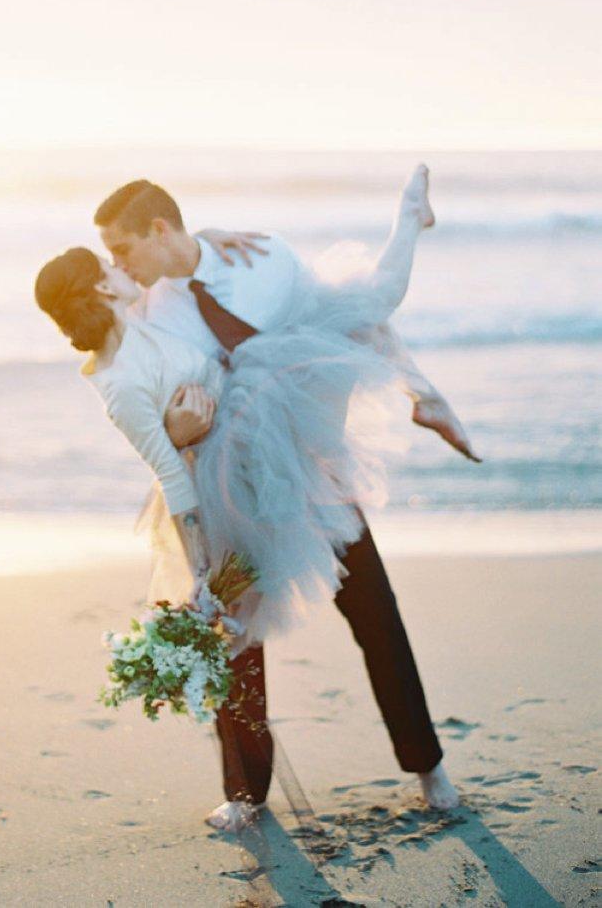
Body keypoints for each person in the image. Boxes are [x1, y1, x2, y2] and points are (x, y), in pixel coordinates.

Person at [35, 167, 462, 834]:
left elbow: (334, 327)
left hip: (309, 470)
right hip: (228, 487)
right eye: (111, 258)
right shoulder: (148, 306)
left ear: (158, 229)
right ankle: (245, 790)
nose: (119, 265)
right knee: (234, 640)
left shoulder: (265, 257)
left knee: (376, 613)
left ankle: (428, 767)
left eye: (124, 249)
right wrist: (177, 436)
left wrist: (206, 239)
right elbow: (134, 388)